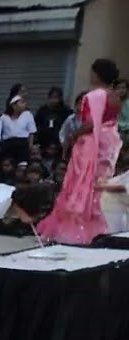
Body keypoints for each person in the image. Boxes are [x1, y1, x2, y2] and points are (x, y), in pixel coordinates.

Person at [37, 59, 125, 245]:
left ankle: (77, 228)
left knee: (81, 184)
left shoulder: (94, 96)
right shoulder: (116, 96)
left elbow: (92, 123)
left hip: (92, 142)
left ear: (97, 74)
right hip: (109, 141)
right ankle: (96, 224)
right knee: (98, 184)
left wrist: (73, 135)